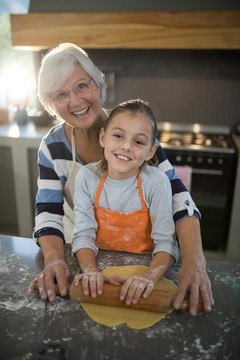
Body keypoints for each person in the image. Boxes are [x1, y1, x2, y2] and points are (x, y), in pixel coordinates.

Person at [28, 43, 213, 315]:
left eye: (82, 86)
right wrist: (55, 260)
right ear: (52, 105)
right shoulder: (53, 145)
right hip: (81, 252)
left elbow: (179, 197)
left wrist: (195, 260)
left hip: (143, 259)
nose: (76, 101)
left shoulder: (131, 130)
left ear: (99, 84)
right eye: (61, 94)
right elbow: (48, 213)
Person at [72, 99, 178, 305]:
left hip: (147, 271)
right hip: (101, 271)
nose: (126, 146)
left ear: (150, 151)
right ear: (103, 137)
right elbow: (84, 235)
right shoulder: (86, 177)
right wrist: (91, 272)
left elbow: (167, 243)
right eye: (118, 136)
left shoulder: (156, 182)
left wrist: (149, 278)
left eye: (138, 142)